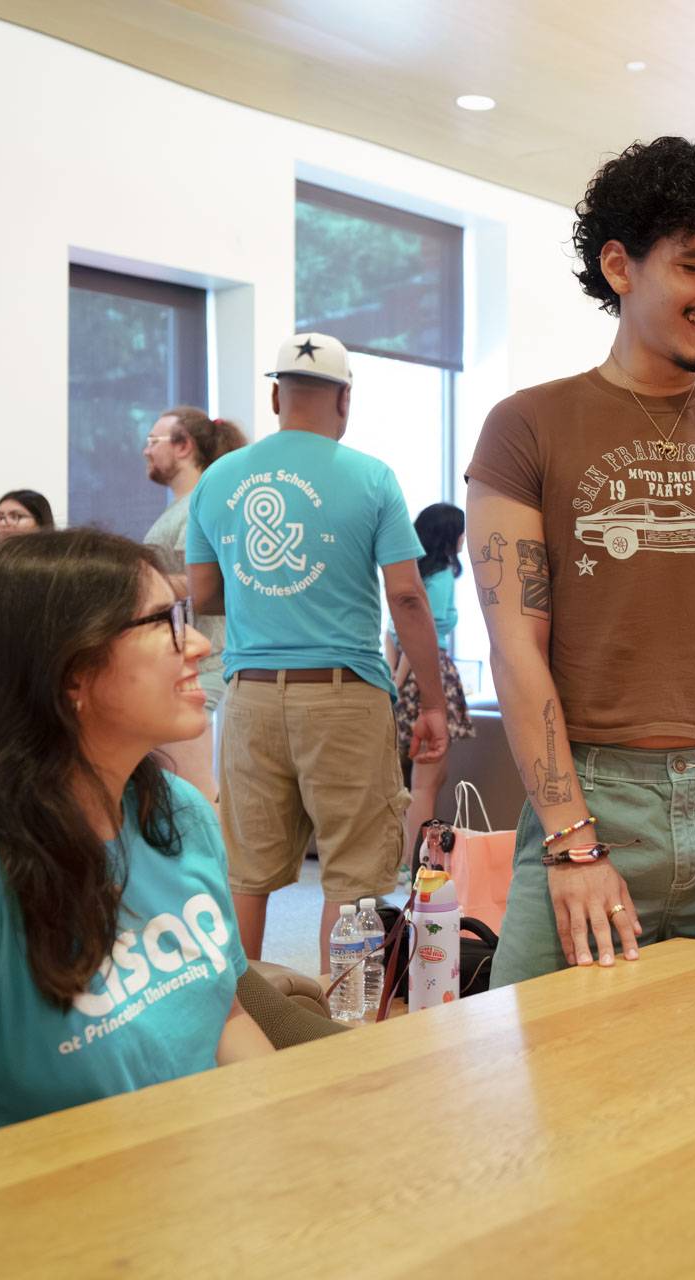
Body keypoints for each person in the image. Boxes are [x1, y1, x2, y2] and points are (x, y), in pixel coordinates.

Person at [467, 136, 695, 982]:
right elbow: (515, 645)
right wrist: (569, 842)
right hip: (588, 797)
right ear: (620, 265)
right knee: (545, 1085)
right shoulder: (526, 427)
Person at [0, 530, 273, 1166]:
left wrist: (283, 1134)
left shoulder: (179, 814)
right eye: (165, 624)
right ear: (71, 672)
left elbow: (223, 1020)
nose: (198, 644)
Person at [186, 332, 448, 969]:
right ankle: (343, 1034)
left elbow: (203, 595)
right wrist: (433, 702)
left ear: (276, 395)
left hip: (248, 699)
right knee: (353, 876)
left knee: (246, 872)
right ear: (345, 400)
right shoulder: (371, 477)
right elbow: (408, 598)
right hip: (343, 696)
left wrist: (265, 593)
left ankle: (237, 1022)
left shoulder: (218, 479)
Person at [142, 406, 247, 802]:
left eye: (154, 441)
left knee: (192, 790)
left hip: (203, 664)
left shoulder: (198, 505)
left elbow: (202, 582)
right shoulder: (185, 506)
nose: (146, 451)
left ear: (184, 446)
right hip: (188, 662)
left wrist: (137, 585)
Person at [385, 502, 478, 865]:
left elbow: (391, 633)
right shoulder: (440, 579)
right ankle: (416, 864)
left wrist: (394, 677)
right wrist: (411, 676)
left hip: (401, 676)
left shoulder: (408, 575)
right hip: (429, 675)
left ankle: (405, 860)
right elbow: (419, 636)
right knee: (426, 783)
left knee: (405, 782)